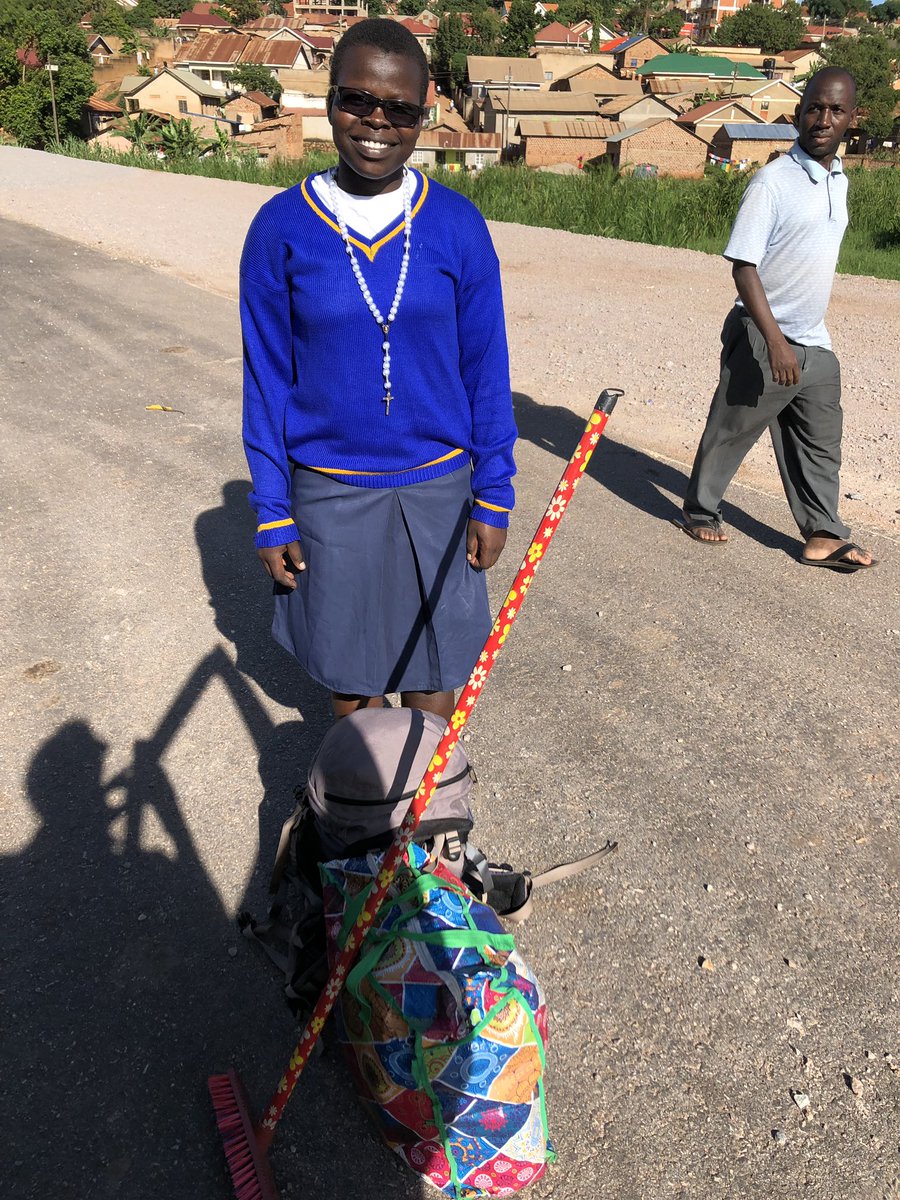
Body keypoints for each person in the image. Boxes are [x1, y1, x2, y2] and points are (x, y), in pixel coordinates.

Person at [240, 20, 516, 721]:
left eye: (400, 109)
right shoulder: (281, 228)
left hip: (440, 487)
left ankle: (426, 819)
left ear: (425, 111)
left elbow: (486, 368)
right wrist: (273, 511)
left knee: (432, 674)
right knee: (355, 683)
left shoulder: (457, 224)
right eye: (357, 101)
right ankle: (364, 825)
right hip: (331, 492)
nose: (377, 124)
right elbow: (267, 380)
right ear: (330, 102)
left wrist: (494, 491)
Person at [674, 68, 876, 573]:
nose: (822, 119)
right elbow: (744, 266)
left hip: (814, 341)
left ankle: (822, 534)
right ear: (798, 113)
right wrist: (775, 342)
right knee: (732, 429)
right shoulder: (773, 182)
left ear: (852, 118)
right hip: (766, 336)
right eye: (814, 108)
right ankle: (700, 509)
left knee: (820, 444)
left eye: (835, 111)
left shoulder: (838, 180)